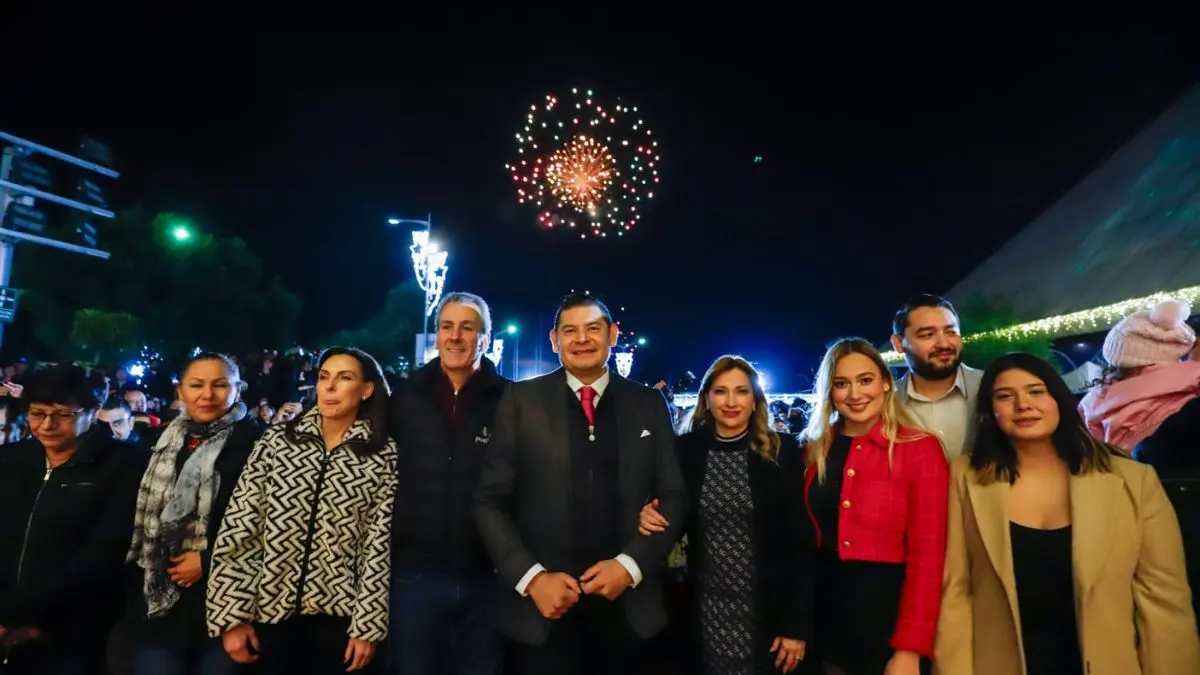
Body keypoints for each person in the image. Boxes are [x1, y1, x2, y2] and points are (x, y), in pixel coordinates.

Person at [935, 352, 1200, 675]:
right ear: (990, 412)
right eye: (1005, 396)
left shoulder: (1132, 481)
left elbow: (1164, 602)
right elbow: (955, 594)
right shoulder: (963, 478)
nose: (1023, 404)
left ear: (1059, 399)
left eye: (1036, 391)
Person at [474, 292, 688, 675]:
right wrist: (532, 579)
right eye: (570, 331)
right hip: (543, 610)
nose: (582, 339)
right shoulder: (522, 400)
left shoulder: (648, 404)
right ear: (555, 340)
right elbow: (489, 501)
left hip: (629, 607)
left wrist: (630, 565)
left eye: (593, 329)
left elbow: (673, 494)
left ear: (613, 334)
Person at [206, 348, 398, 674]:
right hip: (268, 615)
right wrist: (231, 615)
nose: (330, 387)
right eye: (324, 378)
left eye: (344, 378)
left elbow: (378, 548)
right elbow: (240, 528)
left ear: (367, 390)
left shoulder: (382, 453)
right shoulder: (279, 442)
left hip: (341, 622)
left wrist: (368, 624)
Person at [638, 355, 811, 674]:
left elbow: (799, 545)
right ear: (707, 397)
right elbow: (670, 511)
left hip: (768, 607)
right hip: (706, 607)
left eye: (741, 391)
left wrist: (795, 625)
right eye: (720, 391)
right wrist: (649, 510)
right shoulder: (686, 451)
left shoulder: (781, 452)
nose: (731, 402)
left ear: (756, 399)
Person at [800, 338, 948, 675]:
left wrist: (909, 648)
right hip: (821, 610)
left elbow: (929, 558)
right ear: (830, 392)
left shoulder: (921, 449)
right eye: (841, 383)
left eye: (865, 380)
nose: (854, 393)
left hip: (885, 613)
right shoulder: (814, 449)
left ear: (884, 382)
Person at [388, 292, 510, 675]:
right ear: (437, 335)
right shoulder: (404, 396)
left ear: (485, 339)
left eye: (467, 328)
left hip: (484, 578)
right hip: (414, 575)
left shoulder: (511, 401)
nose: (455, 337)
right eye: (446, 327)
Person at [0, 365, 146, 675]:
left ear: (93, 412)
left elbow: (103, 553)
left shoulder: (124, 465)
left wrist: (28, 616)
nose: (47, 425)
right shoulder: (11, 460)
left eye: (63, 415)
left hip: (73, 628)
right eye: (37, 413)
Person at [125, 353, 265, 675]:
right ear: (181, 392)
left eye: (220, 385)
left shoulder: (258, 443)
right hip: (159, 597)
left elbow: (265, 521)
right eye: (197, 385)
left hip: (228, 600)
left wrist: (207, 559)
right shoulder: (158, 441)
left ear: (237, 390)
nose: (207, 394)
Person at [891, 294, 983, 460]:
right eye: (927, 335)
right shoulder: (887, 403)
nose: (943, 344)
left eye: (951, 332)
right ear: (898, 343)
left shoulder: (990, 388)